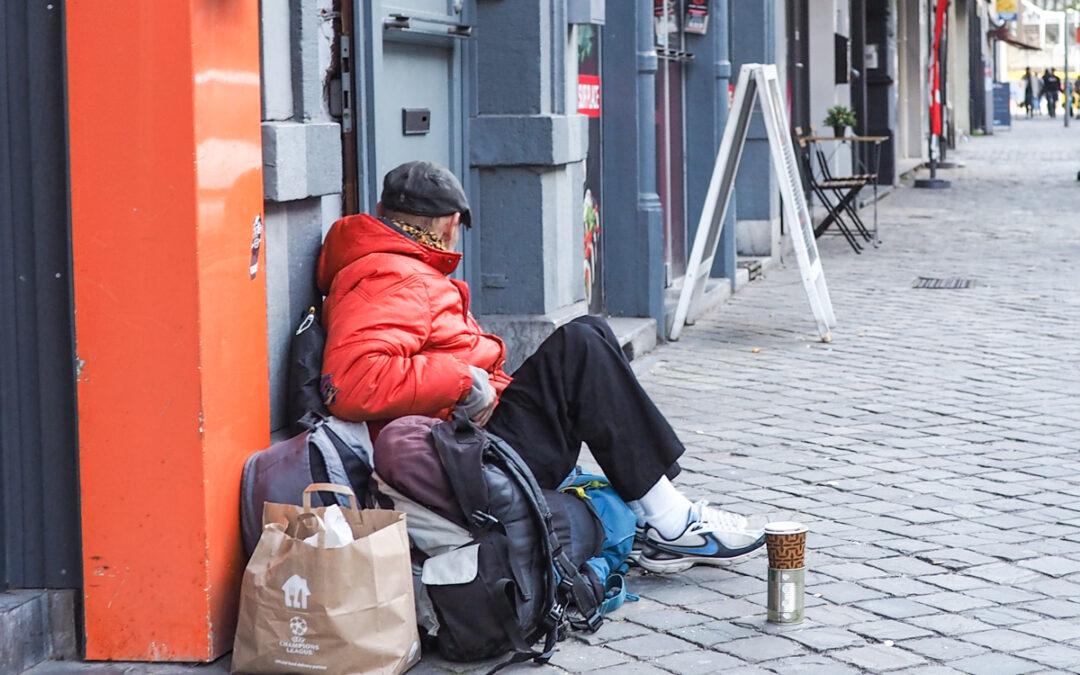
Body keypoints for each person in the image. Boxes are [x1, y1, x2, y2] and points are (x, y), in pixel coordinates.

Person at [317, 161, 767, 572]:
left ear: (382, 211)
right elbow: (353, 382)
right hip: (458, 459)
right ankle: (671, 522)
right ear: (451, 224)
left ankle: (663, 512)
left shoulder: (396, 268)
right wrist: (463, 380)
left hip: (464, 441)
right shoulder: (391, 274)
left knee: (589, 337)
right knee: (581, 345)